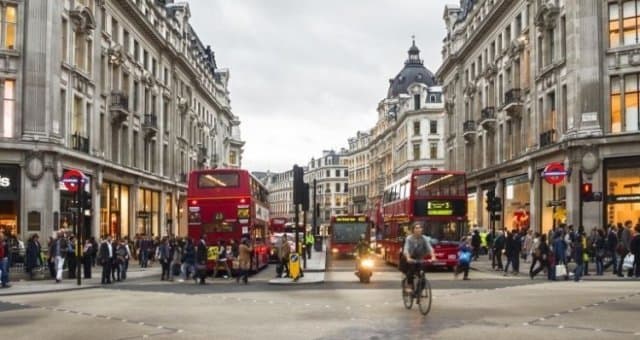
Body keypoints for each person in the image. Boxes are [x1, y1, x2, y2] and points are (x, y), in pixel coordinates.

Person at [402, 223, 435, 293]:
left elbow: (430, 248)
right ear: (413, 230)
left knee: (422, 276)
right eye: (416, 228)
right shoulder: (409, 238)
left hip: (420, 258)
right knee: (411, 271)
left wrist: (433, 257)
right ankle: (409, 285)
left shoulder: (424, 238)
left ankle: (418, 292)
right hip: (410, 257)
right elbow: (406, 249)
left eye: (419, 228)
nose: (418, 229)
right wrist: (408, 258)